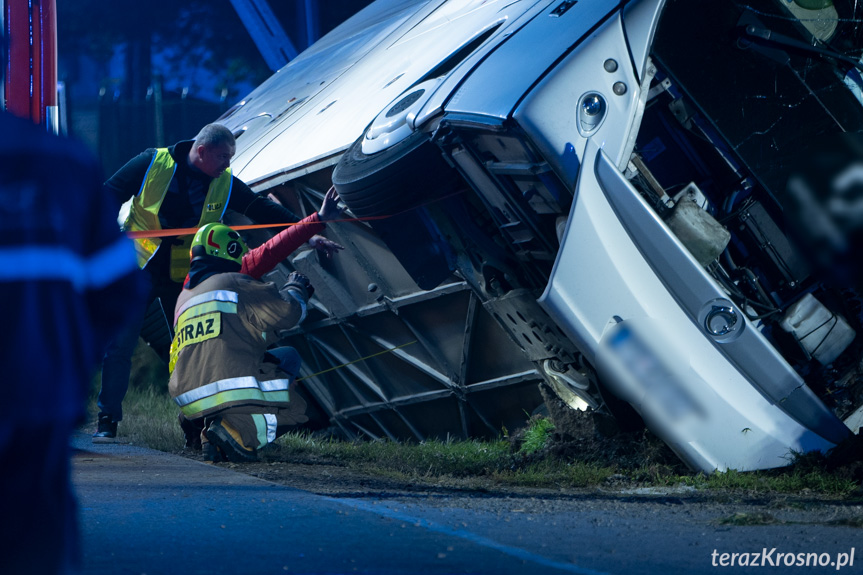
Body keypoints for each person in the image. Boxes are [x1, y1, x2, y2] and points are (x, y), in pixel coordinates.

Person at [94, 123, 343, 442]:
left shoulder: (224, 183)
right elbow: (107, 195)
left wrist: (311, 231)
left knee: (193, 350)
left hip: (184, 280)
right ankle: (107, 421)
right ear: (202, 151)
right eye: (224, 156)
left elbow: (260, 209)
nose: (228, 164)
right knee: (119, 345)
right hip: (136, 268)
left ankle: (197, 423)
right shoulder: (151, 162)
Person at [0, 109, 143, 573]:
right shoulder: (67, 160)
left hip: (43, 385)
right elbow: (119, 289)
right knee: (35, 536)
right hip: (42, 389)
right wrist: (67, 361)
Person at [168, 188, 343, 461]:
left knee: (237, 357)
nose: (247, 250)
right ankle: (236, 434)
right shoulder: (234, 280)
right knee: (291, 390)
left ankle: (198, 426)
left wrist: (314, 224)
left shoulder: (185, 297)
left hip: (186, 392)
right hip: (225, 387)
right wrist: (296, 288)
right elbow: (288, 313)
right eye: (242, 245)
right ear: (230, 249)